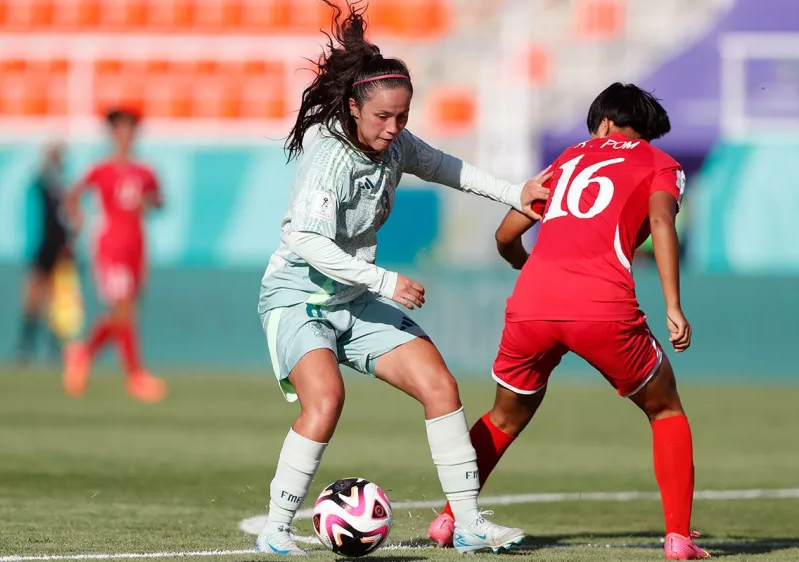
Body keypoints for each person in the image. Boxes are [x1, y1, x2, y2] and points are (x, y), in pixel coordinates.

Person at [253, 1, 550, 556]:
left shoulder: (396, 145)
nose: (394, 129)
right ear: (352, 108)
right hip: (300, 297)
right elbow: (305, 242)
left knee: (440, 386)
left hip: (354, 294)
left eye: (403, 117)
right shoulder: (329, 158)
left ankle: (468, 523)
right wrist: (384, 282)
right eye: (383, 118)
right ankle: (275, 530)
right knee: (326, 401)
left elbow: (446, 167)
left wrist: (516, 193)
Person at [426, 83, 710, 560]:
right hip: (604, 307)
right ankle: (678, 537)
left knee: (502, 417)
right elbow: (662, 223)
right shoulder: (661, 165)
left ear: (601, 123)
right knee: (664, 409)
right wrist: (674, 306)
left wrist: (522, 262)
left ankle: (449, 517)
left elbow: (505, 234)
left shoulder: (570, 158)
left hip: (533, 303)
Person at [62, 107, 166, 403]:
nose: (125, 136)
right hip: (111, 246)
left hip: (136, 246)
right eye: (120, 130)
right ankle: (134, 376)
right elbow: (73, 196)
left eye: (130, 130)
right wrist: (78, 220)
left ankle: (82, 355)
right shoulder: (100, 170)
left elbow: (159, 201)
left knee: (125, 312)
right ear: (112, 134)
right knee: (124, 310)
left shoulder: (145, 172)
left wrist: (152, 203)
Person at [16, 142, 72, 364]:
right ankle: (26, 346)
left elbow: (71, 218)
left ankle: (53, 348)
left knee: (57, 300)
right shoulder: (42, 182)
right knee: (33, 297)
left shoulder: (65, 185)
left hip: (60, 249)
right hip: (42, 246)